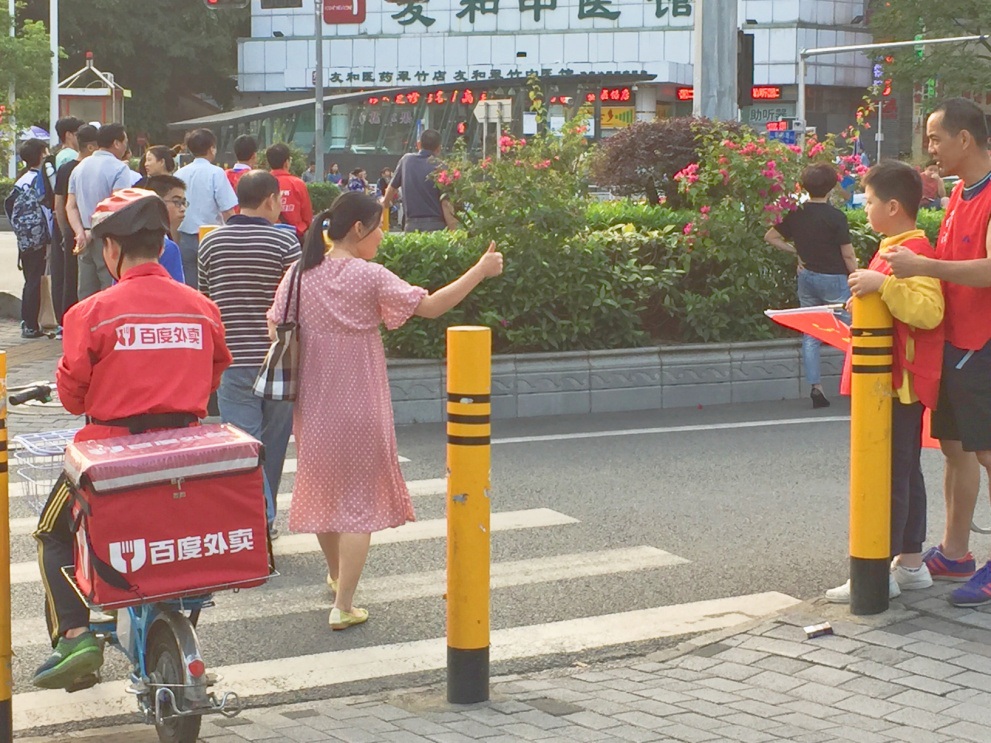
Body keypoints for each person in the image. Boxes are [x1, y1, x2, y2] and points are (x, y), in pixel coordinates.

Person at [267, 192, 503, 630]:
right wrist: (480, 270)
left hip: (313, 405)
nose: (382, 236)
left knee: (325, 494)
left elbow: (274, 324)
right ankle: (344, 603)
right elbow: (431, 306)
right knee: (357, 505)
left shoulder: (298, 274)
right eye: (378, 228)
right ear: (358, 229)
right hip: (360, 404)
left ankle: (337, 575)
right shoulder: (369, 276)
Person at [31, 188, 232, 690]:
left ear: (112, 249)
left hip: (109, 459)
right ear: (162, 245)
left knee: (52, 534)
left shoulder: (91, 313)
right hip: (186, 456)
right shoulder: (202, 308)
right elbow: (214, 377)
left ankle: (76, 635)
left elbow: (72, 398)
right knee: (181, 544)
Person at [884, 98, 991, 607]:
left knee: (987, 452)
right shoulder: (959, 194)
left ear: (964, 139)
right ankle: (954, 551)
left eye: (935, 138)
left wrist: (924, 268)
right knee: (954, 448)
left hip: (982, 343)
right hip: (955, 342)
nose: (930, 148)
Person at [825, 160, 944, 603]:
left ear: (893, 207)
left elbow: (928, 312)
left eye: (871, 200)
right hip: (894, 383)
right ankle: (910, 563)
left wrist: (883, 286)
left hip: (897, 385)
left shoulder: (910, 252)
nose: (866, 207)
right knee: (905, 472)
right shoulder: (896, 246)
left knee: (889, 476)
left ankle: (879, 570)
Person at [199, 170, 300, 536]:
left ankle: (259, 517)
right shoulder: (285, 243)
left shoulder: (211, 244)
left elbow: (206, 303)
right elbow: (297, 303)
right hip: (279, 361)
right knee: (273, 444)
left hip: (232, 360)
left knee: (244, 446)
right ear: (271, 199)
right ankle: (264, 519)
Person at [764, 163, 857, 408]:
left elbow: (771, 236)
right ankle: (859, 384)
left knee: (812, 332)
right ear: (831, 187)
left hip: (807, 277)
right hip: (835, 279)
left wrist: (797, 252)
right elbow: (848, 254)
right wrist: (858, 276)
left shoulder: (796, 213)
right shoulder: (836, 217)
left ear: (804, 186)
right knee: (854, 331)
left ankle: (816, 387)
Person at [66, 122, 131, 299]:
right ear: (116, 143)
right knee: (109, 291)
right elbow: (118, 206)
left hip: (84, 237)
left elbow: (70, 205)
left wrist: (80, 232)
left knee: (86, 292)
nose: (126, 146)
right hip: (109, 238)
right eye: (125, 141)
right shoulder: (120, 168)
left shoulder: (79, 167)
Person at [174, 128, 238, 289]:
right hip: (212, 237)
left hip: (185, 236)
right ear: (212, 148)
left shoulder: (179, 173)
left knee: (190, 286)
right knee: (213, 284)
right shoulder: (216, 173)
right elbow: (227, 209)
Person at [53, 124, 99, 324]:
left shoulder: (66, 169)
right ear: (91, 146)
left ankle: (66, 324)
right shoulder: (92, 169)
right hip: (89, 230)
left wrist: (65, 231)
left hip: (72, 231)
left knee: (70, 279)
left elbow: (59, 205)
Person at [10, 139, 53, 338]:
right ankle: (31, 324)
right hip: (40, 238)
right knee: (36, 280)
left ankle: (28, 322)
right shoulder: (41, 179)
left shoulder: (21, 180)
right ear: (42, 155)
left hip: (26, 239)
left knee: (31, 279)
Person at [383, 129, 458, 233]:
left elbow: (391, 189)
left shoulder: (406, 161)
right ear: (439, 148)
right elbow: (446, 204)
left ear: (418, 144)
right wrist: (454, 231)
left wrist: (385, 204)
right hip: (437, 227)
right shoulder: (443, 167)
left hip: (412, 226)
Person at [145, 174, 189, 283]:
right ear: (157, 203)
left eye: (184, 203)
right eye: (177, 202)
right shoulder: (167, 247)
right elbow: (176, 289)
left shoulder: (129, 240)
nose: (183, 208)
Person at [266, 143, 313, 240]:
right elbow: (307, 218)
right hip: (295, 237)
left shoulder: (262, 183)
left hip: (269, 236)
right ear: (286, 163)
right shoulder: (297, 184)